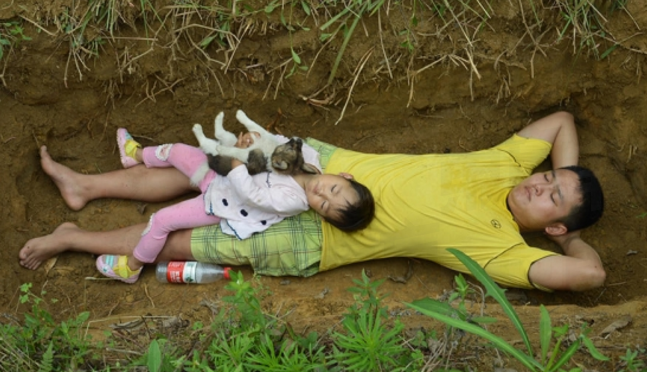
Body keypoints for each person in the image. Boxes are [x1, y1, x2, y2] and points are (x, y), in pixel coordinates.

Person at [19, 111, 605, 292]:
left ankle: (73, 239)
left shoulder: (503, 250)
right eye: (549, 178)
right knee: (208, 165)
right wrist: (565, 186)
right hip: (325, 169)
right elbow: (561, 122)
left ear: (554, 228)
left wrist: (573, 238)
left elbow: (589, 276)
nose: (539, 186)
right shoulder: (508, 163)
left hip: (315, 235)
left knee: (180, 239)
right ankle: (86, 186)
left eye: (552, 199)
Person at [95, 128, 375, 283]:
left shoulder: (293, 201)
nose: (321, 193)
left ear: (320, 215)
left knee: (161, 220)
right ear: (344, 176)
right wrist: (255, 139)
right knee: (177, 150)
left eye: (323, 205)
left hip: (222, 202)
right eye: (333, 189)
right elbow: (278, 142)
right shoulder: (310, 156)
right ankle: (136, 155)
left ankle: (132, 267)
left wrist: (237, 163)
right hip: (219, 174)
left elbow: (253, 196)